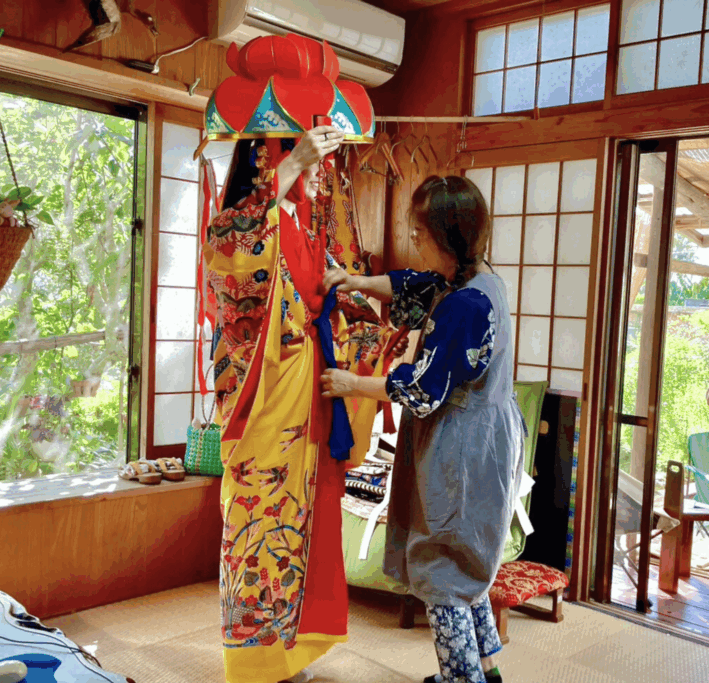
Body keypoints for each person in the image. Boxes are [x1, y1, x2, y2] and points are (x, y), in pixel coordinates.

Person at [320, 175, 525, 683]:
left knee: (443, 566)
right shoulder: (478, 281)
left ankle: (460, 679)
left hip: (462, 447)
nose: (413, 238)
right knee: (467, 563)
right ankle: (487, 669)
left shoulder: (464, 306)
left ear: (447, 237)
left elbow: (419, 389)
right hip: (485, 437)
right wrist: (356, 281)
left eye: (420, 231)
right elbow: (413, 284)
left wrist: (350, 383)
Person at [203, 125, 352, 683]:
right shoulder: (242, 225)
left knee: (299, 520)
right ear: (271, 163)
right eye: (307, 162)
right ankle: (254, 656)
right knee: (258, 518)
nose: (318, 175)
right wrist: (291, 166)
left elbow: (327, 300)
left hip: (306, 398)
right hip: (263, 402)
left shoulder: (300, 227)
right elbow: (230, 256)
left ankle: (289, 651)